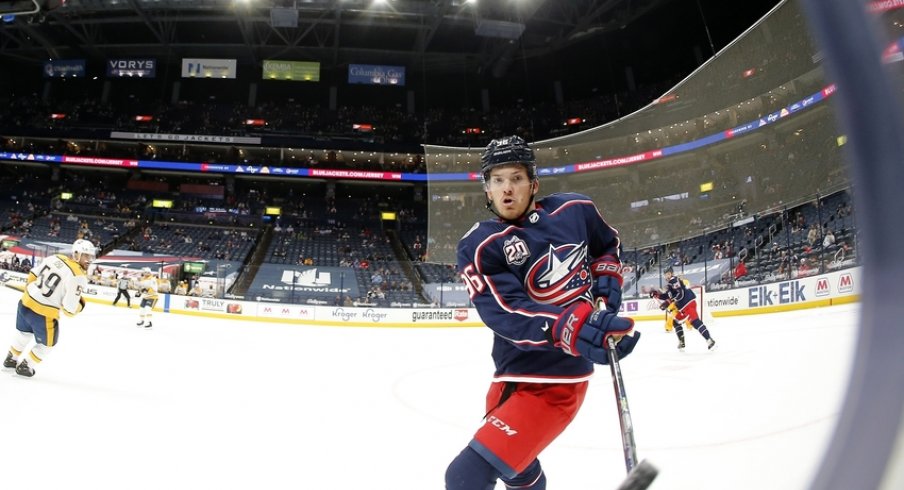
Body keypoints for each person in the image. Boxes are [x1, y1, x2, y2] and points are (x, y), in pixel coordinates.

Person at [447, 136, 640, 489]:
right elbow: (506, 312)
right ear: (487, 190)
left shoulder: (575, 210)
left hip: (556, 382)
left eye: (517, 178)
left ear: (534, 183)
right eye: (498, 180)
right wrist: (577, 326)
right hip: (510, 374)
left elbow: (606, 247)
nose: (507, 189)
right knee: (516, 467)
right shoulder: (479, 245)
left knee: (465, 477)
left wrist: (607, 281)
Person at [3, 239, 96, 377]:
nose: (88, 260)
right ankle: (26, 365)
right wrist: (80, 305)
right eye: (86, 256)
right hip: (43, 313)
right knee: (48, 344)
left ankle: (11, 359)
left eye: (90, 256)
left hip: (25, 302)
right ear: (76, 254)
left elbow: (33, 274)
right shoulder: (78, 276)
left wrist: (31, 291)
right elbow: (69, 310)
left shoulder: (55, 257)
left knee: (23, 333)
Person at [650, 267, 716, 351]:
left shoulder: (673, 280)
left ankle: (709, 340)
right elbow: (667, 296)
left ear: (671, 274)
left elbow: (680, 294)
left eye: (668, 274)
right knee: (676, 322)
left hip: (688, 304)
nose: (667, 276)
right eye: (666, 274)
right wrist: (657, 295)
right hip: (683, 308)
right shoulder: (670, 284)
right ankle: (682, 342)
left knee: (695, 322)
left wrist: (668, 302)